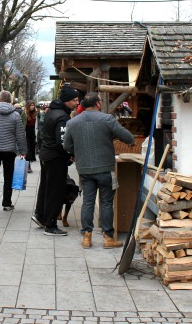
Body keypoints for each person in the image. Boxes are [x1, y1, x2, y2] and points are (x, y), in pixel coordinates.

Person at [63, 92, 135, 249]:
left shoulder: (73, 122)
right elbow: (128, 138)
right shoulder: (107, 119)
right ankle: (108, 237)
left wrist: (79, 151)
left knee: (88, 202)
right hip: (106, 168)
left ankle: (86, 236)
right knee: (107, 202)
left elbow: (67, 146)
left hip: (85, 168)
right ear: (97, 104)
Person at [32, 85, 79, 236]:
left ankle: (40, 216)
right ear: (66, 101)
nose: (77, 103)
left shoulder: (52, 111)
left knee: (45, 187)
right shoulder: (62, 116)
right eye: (75, 100)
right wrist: (70, 154)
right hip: (55, 158)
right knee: (55, 191)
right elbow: (63, 141)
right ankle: (50, 225)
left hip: (46, 155)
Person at [20, 100, 37, 173]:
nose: (32, 107)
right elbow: (21, 124)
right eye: (31, 105)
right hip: (26, 132)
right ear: (28, 106)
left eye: (33, 105)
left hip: (33, 133)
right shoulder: (24, 113)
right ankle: (28, 166)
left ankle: (28, 164)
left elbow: (37, 124)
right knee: (28, 149)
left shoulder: (35, 114)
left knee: (32, 149)